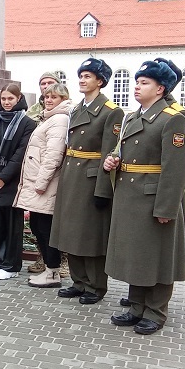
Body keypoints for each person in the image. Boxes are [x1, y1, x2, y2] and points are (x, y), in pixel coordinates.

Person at [103, 60, 185, 335]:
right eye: (137, 82)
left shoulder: (173, 118)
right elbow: (121, 151)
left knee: (159, 257)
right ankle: (136, 306)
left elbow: (176, 169)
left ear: (160, 88)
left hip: (155, 197)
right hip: (130, 196)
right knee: (136, 255)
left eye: (144, 83)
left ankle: (156, 311)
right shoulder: (132, 117)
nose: (137, 87)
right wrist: (112, 161)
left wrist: (167, 208)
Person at [50, 58, 124, 304]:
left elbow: (108, 152)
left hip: (91, 179)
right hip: (72, 176)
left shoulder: (110, 111)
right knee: (71, 233)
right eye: (81, 76)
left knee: (90, 236)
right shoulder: (78, 108)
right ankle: (78, 281)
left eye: (88, 76)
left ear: (100, 81)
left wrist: (103, 190)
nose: (82, 80)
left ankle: (95, 286)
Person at [13, 83, 73, 288]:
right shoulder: (51, 118)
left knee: (44, 228)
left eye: (54, 97)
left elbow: (53, 156)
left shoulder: (60, 119)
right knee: (39, 226)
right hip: (41, 183)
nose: (48, 100)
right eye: (46, 97)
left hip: (46, 184)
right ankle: (50, 270)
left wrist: (40, 183)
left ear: (63, 100)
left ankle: (52, 272)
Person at [0, 84, 37, 280]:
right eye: (3, 99)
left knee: (12, 224)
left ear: (19, 99)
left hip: (11, 182)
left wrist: (3, 178)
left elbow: (20, 154)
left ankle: (11, 265)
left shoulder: (27, 123)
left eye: (11, 99)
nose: (7, 102)